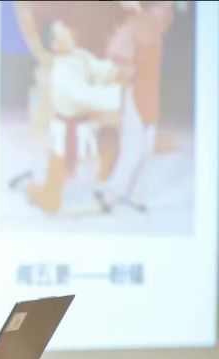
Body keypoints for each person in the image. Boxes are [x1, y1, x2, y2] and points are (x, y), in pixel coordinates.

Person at [14, 15, 122, 214]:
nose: (69, 32)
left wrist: (118, 68)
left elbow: (99, 70)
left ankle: (79, 192)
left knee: (87, 166)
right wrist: (117, 92)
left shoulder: (80, 55)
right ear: (55, 45)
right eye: (63, 31)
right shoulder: (61, 73)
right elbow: (85, 97)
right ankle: (28, 186)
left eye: (66, 28)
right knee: (51, 202)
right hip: (65, 134)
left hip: (84, 128)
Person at [94, 1, 174, 212]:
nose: (168, 13)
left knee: (146, 148)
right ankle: (110, 195)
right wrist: (129, 73)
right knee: (133, 147)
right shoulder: (135, 24)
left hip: (151, 92)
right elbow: (114, 52)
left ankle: (136, 195)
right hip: (137, 90)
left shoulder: (155, 25)